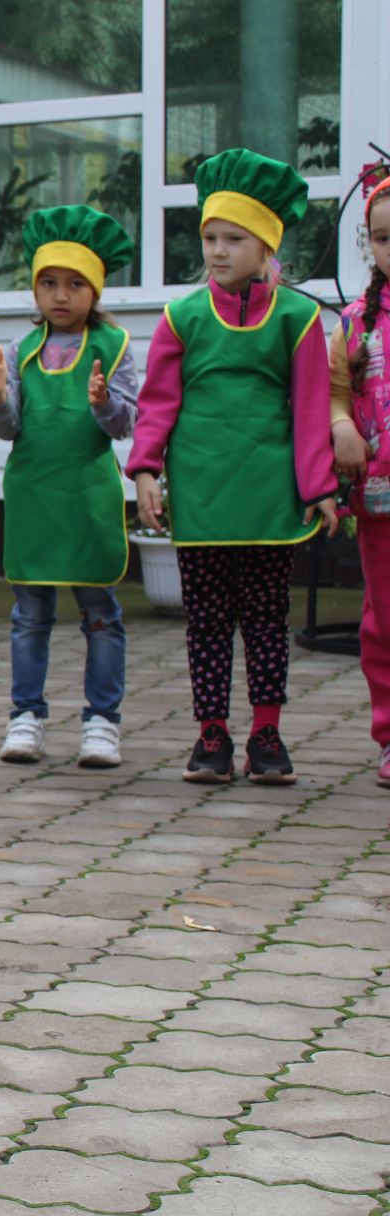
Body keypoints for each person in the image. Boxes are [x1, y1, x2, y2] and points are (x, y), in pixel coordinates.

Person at [128, 148, 338, 785]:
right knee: (208, 623)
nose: (218, 251)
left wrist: (321, 487)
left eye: (234, 239)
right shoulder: (181, 318)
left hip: (270, 496)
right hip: (203, 495)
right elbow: (158, 402)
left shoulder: (299, 318)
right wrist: (144, 473)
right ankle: (212, 735)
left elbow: (308, 409)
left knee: (268, 621)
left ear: (266, 244)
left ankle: (267, 733)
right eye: (210, 238)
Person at [0, 206, 140, 768]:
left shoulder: (113, 347)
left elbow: (127, 423)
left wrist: (103, 402)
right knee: (30, 617)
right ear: (35, 291)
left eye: (74, 284)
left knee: (101, 614)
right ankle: (27, 716)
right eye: (48, 284)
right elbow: (10, 428)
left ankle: (101, 722)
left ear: (95, 289)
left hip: (88, 497)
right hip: (35, 498)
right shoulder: (18, 353)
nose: (60, 296)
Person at [329, 166, 390, 788]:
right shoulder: (355, 323)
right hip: (381, 497)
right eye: (383, 238)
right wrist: (341, 424)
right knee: (385, 621)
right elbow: (335, 395)